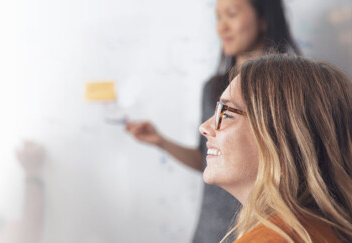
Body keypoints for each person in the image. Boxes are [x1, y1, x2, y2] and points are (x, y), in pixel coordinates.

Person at [125, 0, 300, 241]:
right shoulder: (212, 88)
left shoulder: (292, 91)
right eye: (218, 17)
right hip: (211, 229)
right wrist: (162, 142)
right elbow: (207, 159)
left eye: (231, 14)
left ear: (263, 18)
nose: (222, 27)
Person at [199, 54, 352, 243]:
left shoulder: (272, 239)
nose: (204, 127)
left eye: (226, 114)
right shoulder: (326, 231)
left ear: (281, 135)